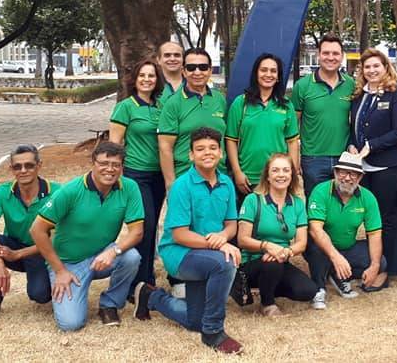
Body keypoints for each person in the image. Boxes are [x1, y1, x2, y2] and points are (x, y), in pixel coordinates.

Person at [134, 127, 243, 354]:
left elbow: (231, 224)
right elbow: (179, 234)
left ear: (221, 153)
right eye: (200, 149)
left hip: (207, 254)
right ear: (191, 155)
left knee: (194, 321)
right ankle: (213, 331)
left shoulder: (227, 183)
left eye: (213, 148)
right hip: (180, 253)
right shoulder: (182, 186)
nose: (207, 153)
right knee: (225, 262)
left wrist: (223, 236)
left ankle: (150, 296)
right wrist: (218, 244)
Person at [30, 142, 144, 331]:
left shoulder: (130, 187)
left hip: (102, 256)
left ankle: (110, 304)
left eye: (116, 165)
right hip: (69, 263)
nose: (110, 169)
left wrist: (113, 252)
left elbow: (137, 231)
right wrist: (60, 270)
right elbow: (37, 230)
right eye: (104, 163)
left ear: (122, 167)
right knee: (71, 324)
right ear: (93, 163)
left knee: (131, 257)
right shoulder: (71, 190)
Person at [0, 145, 60, 322]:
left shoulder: (57, 192)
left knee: (40, 295)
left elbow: (60, 237)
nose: (23, 170)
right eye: (17, 166)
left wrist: (18, 254)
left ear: (39, 166)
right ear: (11, 169)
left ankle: (48, 285)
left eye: (29, 165)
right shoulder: (2, 192)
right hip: (13, 247)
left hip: (42, 251)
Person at [348, 49, 397, 288]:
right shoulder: (359, 96)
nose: (372, 70)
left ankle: (384, 270)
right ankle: (370, 264)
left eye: (376, 66)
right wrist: (352, 144)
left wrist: (371, 146)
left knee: (384, 218)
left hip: (387, 166)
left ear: (386, 68)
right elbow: (353, 127)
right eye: (367, 67)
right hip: (362, 166)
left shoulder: (396, 95)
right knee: (368, 218)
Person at [109, 59, 167, 295]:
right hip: (136, 175)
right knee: (144, 226)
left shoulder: (162, 106)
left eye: (151, 76)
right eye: (142, 75)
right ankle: (138, 284)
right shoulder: (126, 107)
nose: (147, 80)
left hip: (159, 175)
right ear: (135, 79)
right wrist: (116, 176)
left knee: (152, 230)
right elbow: (115, 144)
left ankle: (146, 278)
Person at [305, 151, 388, 310]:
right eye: (343, 172)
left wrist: (375, 266)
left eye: (354, 174)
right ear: (335, 172)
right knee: (313, 245)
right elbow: (315, 230)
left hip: (347, 247)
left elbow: (374, 234)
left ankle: (337, 275)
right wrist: (336, 257)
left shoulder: (368, 197)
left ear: (360, 178)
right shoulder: (320, 191)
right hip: (322, 247)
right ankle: (319, 288)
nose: (348, 178)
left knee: (381, 261)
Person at [236, 153, 316, 317]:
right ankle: (267, 304)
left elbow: (301, 243)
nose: (281, 175)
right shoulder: (253, 200)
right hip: (252, 262)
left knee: (308, 290)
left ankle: (266, 287)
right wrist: (267, 247)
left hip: (281, 259)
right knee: (272, 265)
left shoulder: (297, 204)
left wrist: (286, 252)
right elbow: (242, 240)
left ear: (292, 175)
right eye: (275, 170)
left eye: (286, 170)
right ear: (267, 176)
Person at [226, 53, 300, 198]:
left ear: (278, 76)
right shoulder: (241, 103)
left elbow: (292, 142)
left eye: (273, 71)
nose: (268, 74)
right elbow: (231, 140)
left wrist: (292, 172)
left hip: (277, 177)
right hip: (248, 178)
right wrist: (237, 172)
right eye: (263, 70)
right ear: (256, 73)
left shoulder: (286, 105)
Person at [290, 34, 355, 197]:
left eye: (335, 53)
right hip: (313, 160)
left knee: (341, 205)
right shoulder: (302, 86)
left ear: (342, 56)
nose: (330, 57)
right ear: (318, 55)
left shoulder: (351, 85)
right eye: (326, 53)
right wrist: (294, 159)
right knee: (316, 204)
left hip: (344, 158)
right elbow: (292, 125)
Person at [158, 47, 228, 184]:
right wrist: (170, 184)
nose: (197, 72)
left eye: (203, 67)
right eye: (191, 68)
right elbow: (165, 147)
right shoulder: (173, 103)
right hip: (185, 179)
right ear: (183, 71)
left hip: (219, 178)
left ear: (210, 70)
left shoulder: (219, 99)